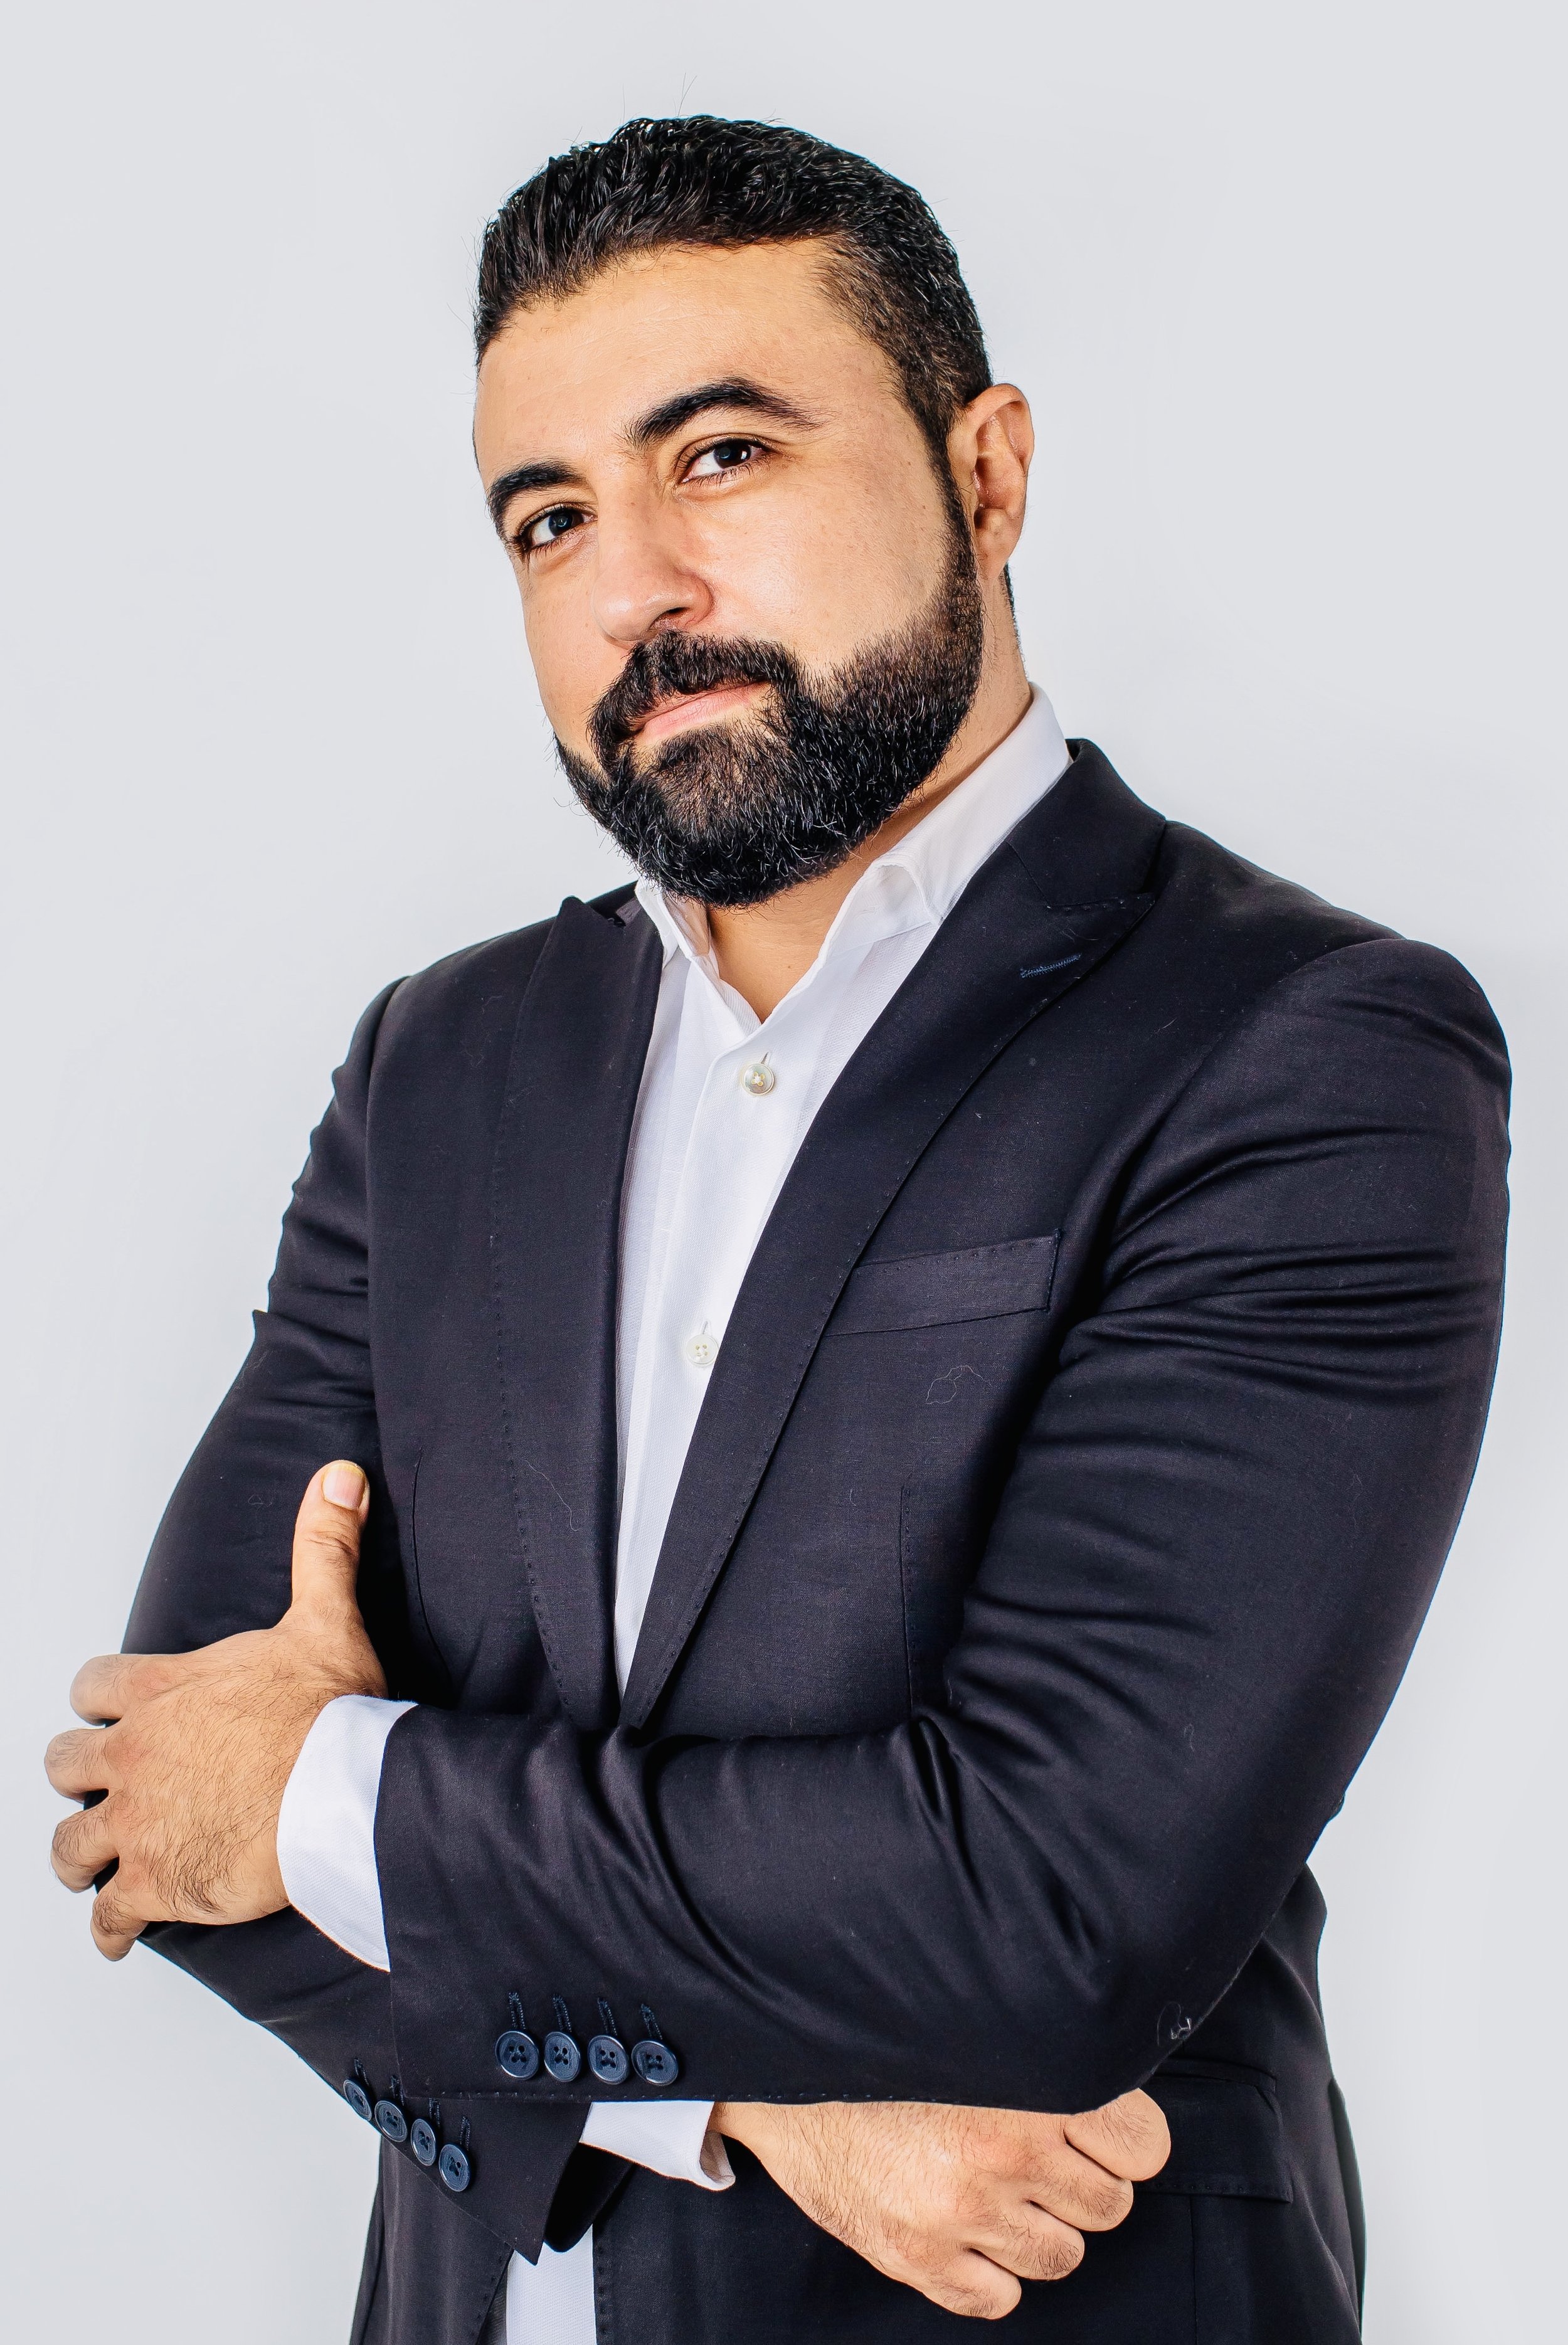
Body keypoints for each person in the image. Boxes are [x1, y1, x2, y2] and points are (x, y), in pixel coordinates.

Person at [44, 116, 1508, 2345]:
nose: (631, 583)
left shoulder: (1301, 1051)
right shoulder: (440, 1069)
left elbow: (1046, 1911)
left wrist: (325, 1781)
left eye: (717, 457)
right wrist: (737, 2114)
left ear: (987, 472)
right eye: (548, 518)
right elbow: (167, 1806)